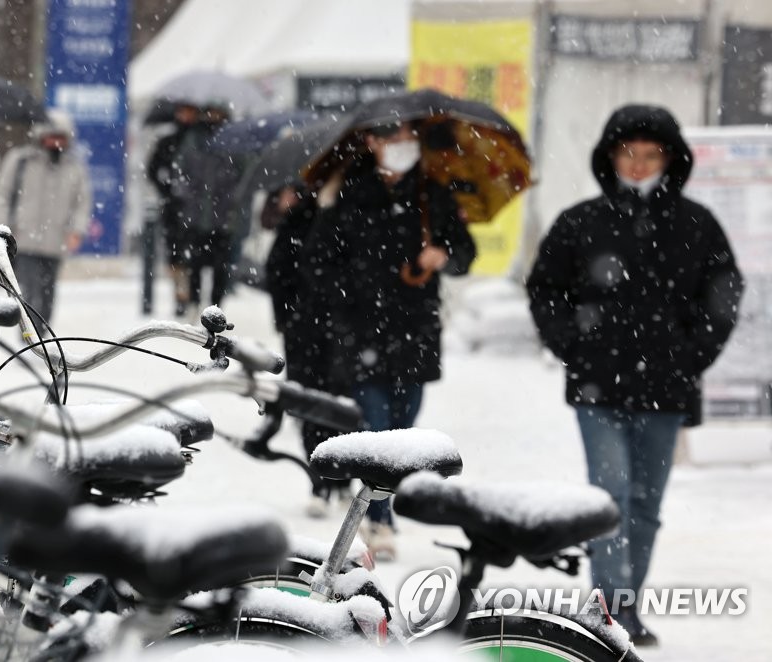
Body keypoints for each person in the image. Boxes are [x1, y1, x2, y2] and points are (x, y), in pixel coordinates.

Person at [526, 104, 743, 646]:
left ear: (670, 159)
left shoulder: (696, 223)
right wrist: (571, 345)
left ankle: (628, 606)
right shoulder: (581, 222)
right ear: (610, 157)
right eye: (629, 153)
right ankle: (610, 613)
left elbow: (723, 293)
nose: (640, 164)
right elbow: (545, 288)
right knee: (612, 497)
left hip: (667, 388)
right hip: (597, 387)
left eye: (651, 154)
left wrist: (693, 355)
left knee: (646, 504)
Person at [303, 120, 477, 557]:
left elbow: (464, 251)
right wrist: (358, 285)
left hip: (415, 329)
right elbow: (318, 263)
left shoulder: (432, 194)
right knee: (375, 425)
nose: (402, 148)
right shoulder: (347, 194)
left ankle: (378, 505)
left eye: (408, 140)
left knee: (405, 422)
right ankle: (380, 520)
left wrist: (444, 254)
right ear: (373, 143)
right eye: (392, 140)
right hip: (361, 330)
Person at [264, 184, 350, 517]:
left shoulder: (352, 216)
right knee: (309, 402)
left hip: (346, 329)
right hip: (304, 328)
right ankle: (320, 478)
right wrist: (287, 317)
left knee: (342, 402)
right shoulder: (298, 221)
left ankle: (341, 477)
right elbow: (277, 270)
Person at [0, 110, 91, 329]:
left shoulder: (74, 167)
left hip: (56, 241)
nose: (55, 142)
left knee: (48, 294)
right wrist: (3, 229)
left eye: (60, 137)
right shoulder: (20, 161)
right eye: (51, 136)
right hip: (23, 238)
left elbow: (82, 202)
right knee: (29, 290)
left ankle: (40, 332)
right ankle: (30, 334)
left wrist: (76, 230)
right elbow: (2, 196)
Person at [175, 106, 241, 314]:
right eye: (210, 112)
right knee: (195, 262)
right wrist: (188, 192)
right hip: (197, 213)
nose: (213, 117)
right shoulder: (194, 138)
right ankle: (194, 302)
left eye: (217, 113)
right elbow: (181, 169)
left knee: (220, 266)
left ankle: (216, 306)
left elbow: (244, 172)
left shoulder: (233, 139)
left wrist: (232, 193)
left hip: (223, 214)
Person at [146, 104, 198, 316]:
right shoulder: (168, 141)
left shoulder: (200, 142)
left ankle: (191, 296)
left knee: (195, 254)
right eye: (183, 112)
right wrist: (167, 190)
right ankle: (180, 296)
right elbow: (152, 170)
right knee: (175, 254)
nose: (186, 116)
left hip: (195, 208)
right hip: (173, 208)